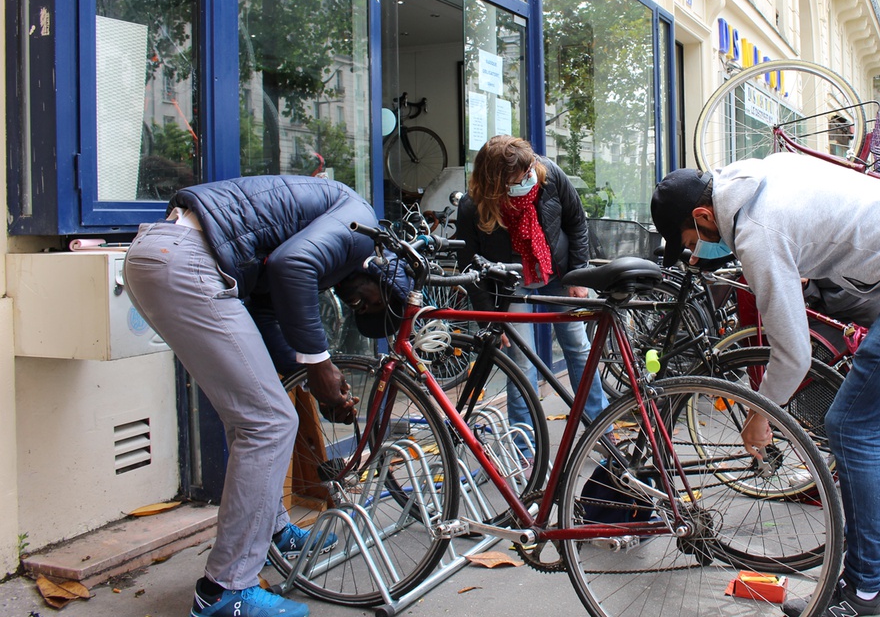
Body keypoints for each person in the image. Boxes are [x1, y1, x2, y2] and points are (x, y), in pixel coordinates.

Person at [651, 153, 880, 617]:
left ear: (704, 215)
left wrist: (760, 415)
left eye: (691, 241)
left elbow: (793, 355)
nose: (696, 255)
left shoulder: (756, 233)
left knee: (852, 427)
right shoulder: (759, 173)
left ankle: (866, 593)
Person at [123, 175, 410, 617]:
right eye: (374, 303)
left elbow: (264, 315)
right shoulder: (360, 222)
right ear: (382, 272)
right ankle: (225, 589)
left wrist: (312, 375)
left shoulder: (327, 241)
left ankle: (272, 528)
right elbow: (292, 266)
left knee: (251, 416)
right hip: (187, 260)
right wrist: (320, 365)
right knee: (269, 423)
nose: (361, 307)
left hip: (165, 256)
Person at [455, 136, 607, 435]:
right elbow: (469, 262)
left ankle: (599, 428)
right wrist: (489, 314)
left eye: (529, 170)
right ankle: (525, 445)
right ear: (496, 180)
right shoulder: (473, 205)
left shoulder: (548, 175)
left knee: (578, 347)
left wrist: (578, 273)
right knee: (521, 364)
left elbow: (577, 222)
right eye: (520, 175)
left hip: (558, 275)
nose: (528, 177)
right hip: (511, 284)